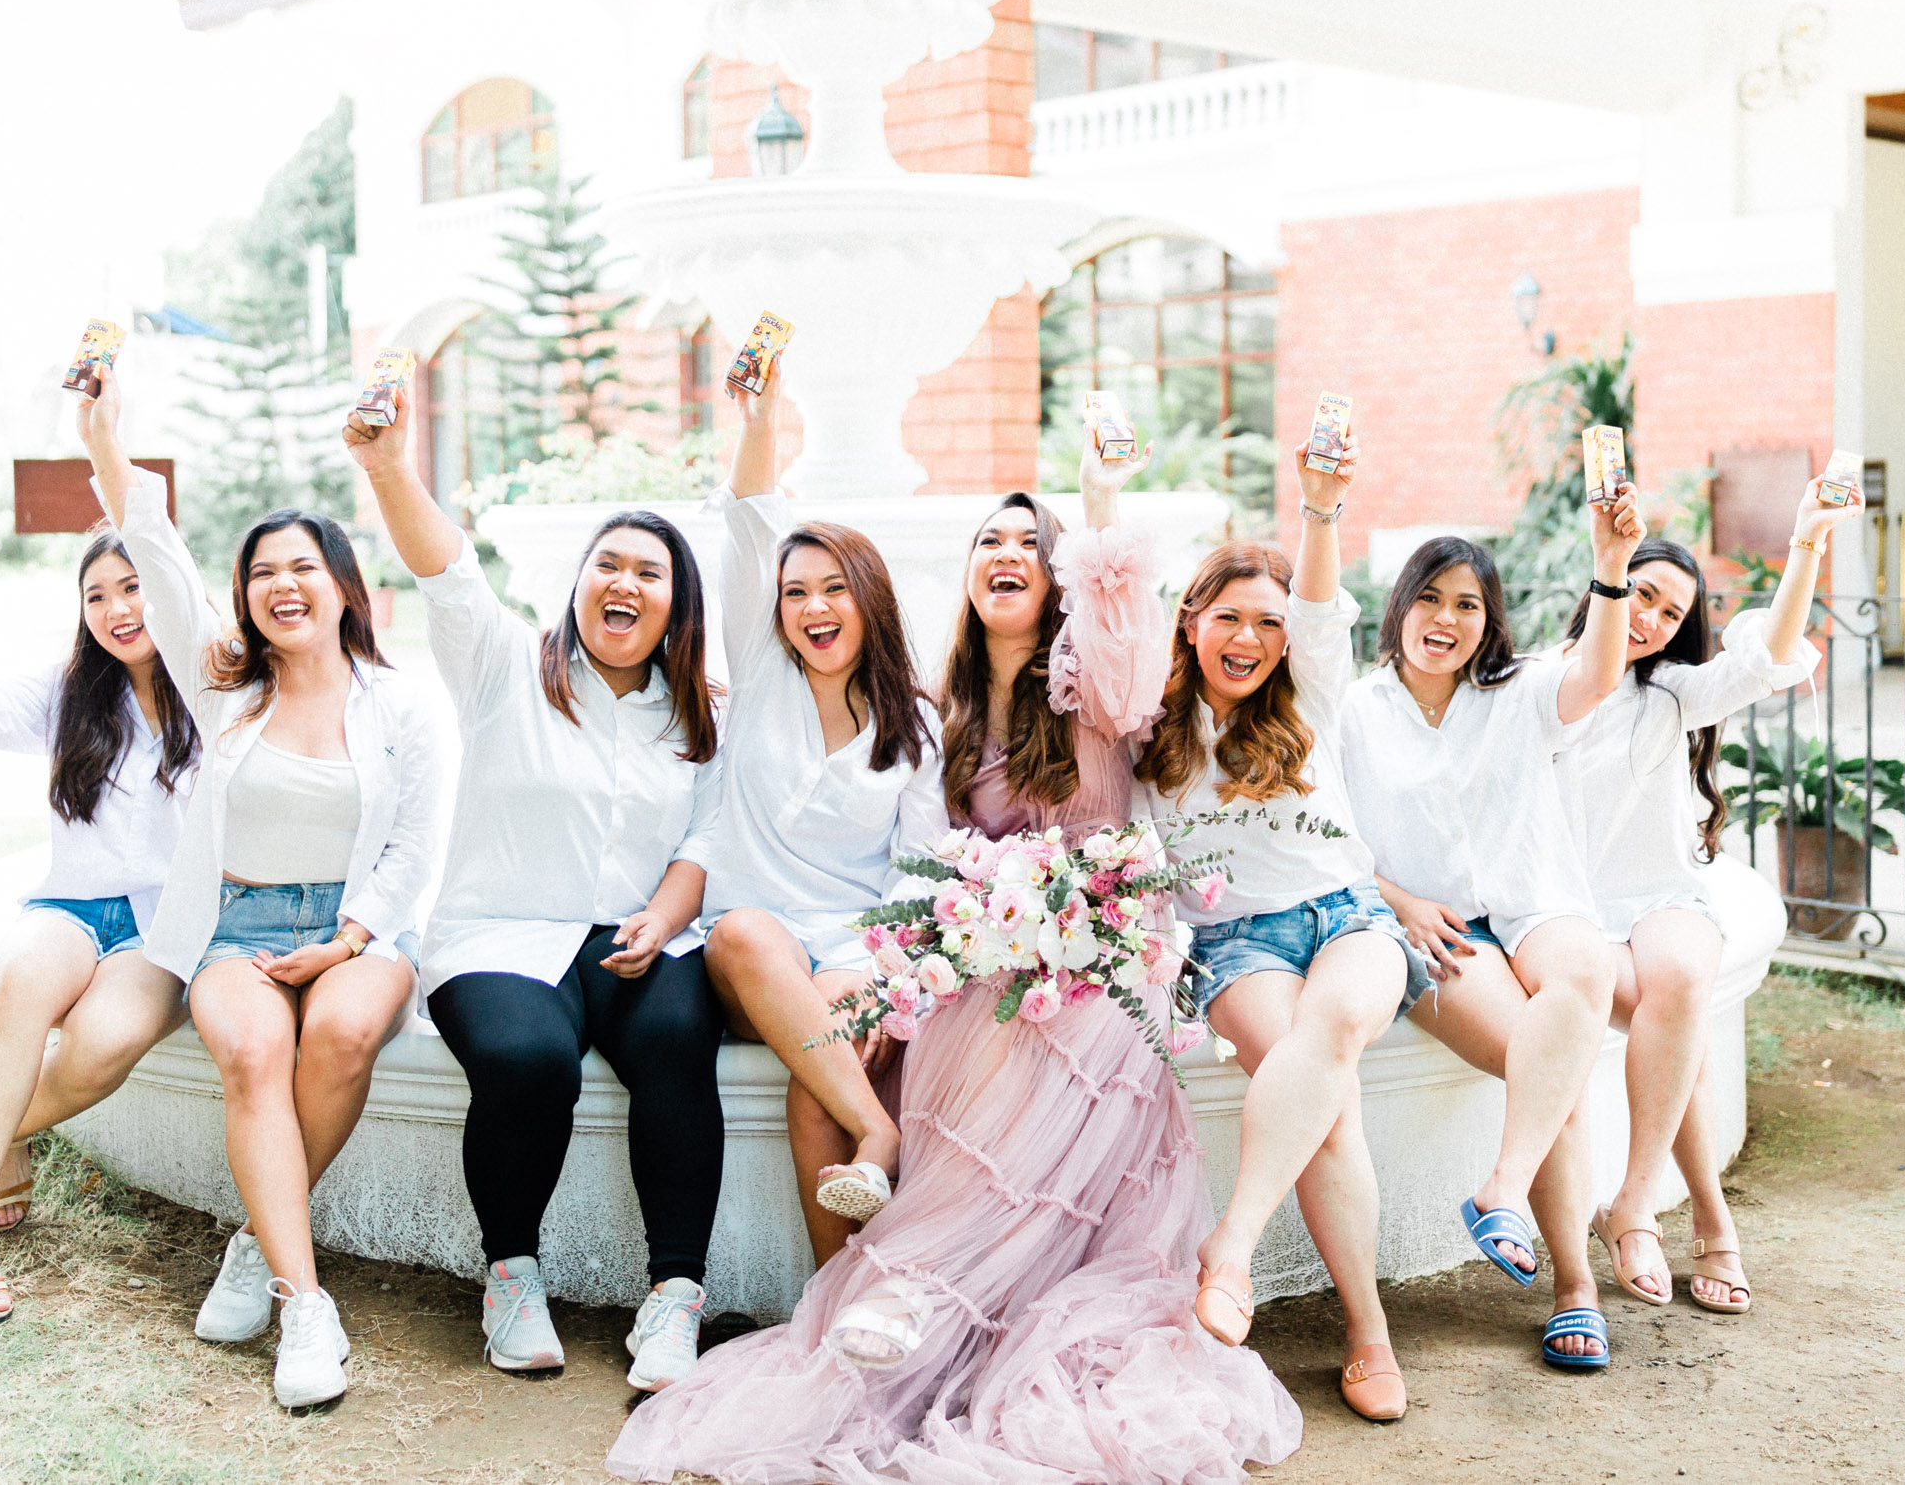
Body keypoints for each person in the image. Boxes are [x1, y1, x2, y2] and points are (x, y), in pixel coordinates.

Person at [607, 433, 1300, 1485]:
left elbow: (1121, 617)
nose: (1006, 553)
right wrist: (939, 949)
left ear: (1058, 576)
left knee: (1002, 1039)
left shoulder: (1097, 688)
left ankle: (914, 1288)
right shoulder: (948, 713)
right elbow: (928, 866)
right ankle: (851, 1314)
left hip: (1100, 966)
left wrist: (1098, 498)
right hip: (986, 952)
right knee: (843, 1064)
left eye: (1030, 543)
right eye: (988, 541)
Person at [77, 367, 448, 1409]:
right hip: (236, 925)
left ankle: (253, 1238)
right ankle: (305, 1301)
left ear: (344, 585)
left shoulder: (403, 705)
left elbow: (415, 845)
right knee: (252, 1052)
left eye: (302, 567)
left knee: (341, 1031)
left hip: (358, 928)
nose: (282, 585)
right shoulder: (224, 685)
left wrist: (349, 937)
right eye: (261, 573)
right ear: (243, 597)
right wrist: (106, 442)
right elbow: (157, 553)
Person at [344, 387, 727, 1394]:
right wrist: (387, 464)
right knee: (527, 1059)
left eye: (650, 572)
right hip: (499, 932)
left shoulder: (697, 713)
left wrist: (667, 917)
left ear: (676, 606)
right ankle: (511, 1275)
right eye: (609, 563)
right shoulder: (506, 663)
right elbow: (447, 569)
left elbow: (706, 837)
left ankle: (675, 1296)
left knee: (679, 1038)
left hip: (641, 936)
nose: (625, 582)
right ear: (579, 582)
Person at [1147, 435, 1435, 1422]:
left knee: (1337, 1025)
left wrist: (1319, 508)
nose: (1249, 636)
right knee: (1327, 1100)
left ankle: (1230, 1247)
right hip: (1238, 944)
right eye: (1227, 615)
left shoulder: (1309, 691)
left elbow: (1318, 608)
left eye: (1267, 622)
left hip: (1348, 917)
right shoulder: (1151, 730)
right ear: (1190, 623)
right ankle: (1370, 1333)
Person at [1339, 488, 1642, 1374]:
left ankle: (1502, 1188)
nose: (1446, 618)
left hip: (1533, 905)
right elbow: (1327, 836)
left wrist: (1612, 565)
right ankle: (1575, 1287)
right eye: (1430, 597)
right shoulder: (1356, 710)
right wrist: (1398, 900)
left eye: (1467, 604)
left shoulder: (1520, 690)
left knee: (1584, 973)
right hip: (1439, 929)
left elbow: (1598, 676)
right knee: (1552, 1068)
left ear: (1489, 620)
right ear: (1400, 606)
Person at [1559, 479, 1855, 1316]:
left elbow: (1768, 656)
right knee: (1674, 1020)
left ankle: (1634, 1202)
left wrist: (1806, 540)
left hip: (1660, 898)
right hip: (1570, 912)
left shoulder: (1672, 694)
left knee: (1683, 977)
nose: (1652, 620)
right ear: (1608, 580)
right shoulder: (1542, 683)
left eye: (1671, 613)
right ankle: (1712, 1215)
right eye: (1643, 594)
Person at [0, 510, 199, 1324]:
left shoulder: (220, 687)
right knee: (15, 981)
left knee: (103, 1042)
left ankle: (2, 1126)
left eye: (133, 586)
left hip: (163, 926)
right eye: (96, 594)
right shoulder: (70, 689)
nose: (117, 608)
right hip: (71, 901)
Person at [692, 353, 948, 1268]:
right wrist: (761, 421)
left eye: (834, 587)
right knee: (745, 933)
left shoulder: (916, 723)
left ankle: (832, 1294)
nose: (813, 606)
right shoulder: (762, 674)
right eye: (796, 591)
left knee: (826, 1055)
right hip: (751, 947)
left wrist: (880, 970)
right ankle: (881, 1133)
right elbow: (748, 524)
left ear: (868, 600)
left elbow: (919, 873)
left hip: (849, 950)